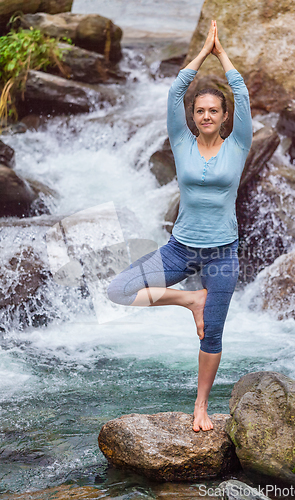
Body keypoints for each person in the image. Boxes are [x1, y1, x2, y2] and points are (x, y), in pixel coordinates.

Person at [107, 20, 252, 432]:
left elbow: (240, 91)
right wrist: (201, 53)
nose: (206, 115)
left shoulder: (238, 143)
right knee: (118, 290)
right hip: (180, 248)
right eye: (200, 110)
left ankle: (201, 407)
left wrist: (222, 54)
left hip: (223, 252)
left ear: (225, 117)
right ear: (193, 115)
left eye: (214, 111)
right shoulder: (182, 141)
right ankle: (191, 301)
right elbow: (175, 91)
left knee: (214, 336)